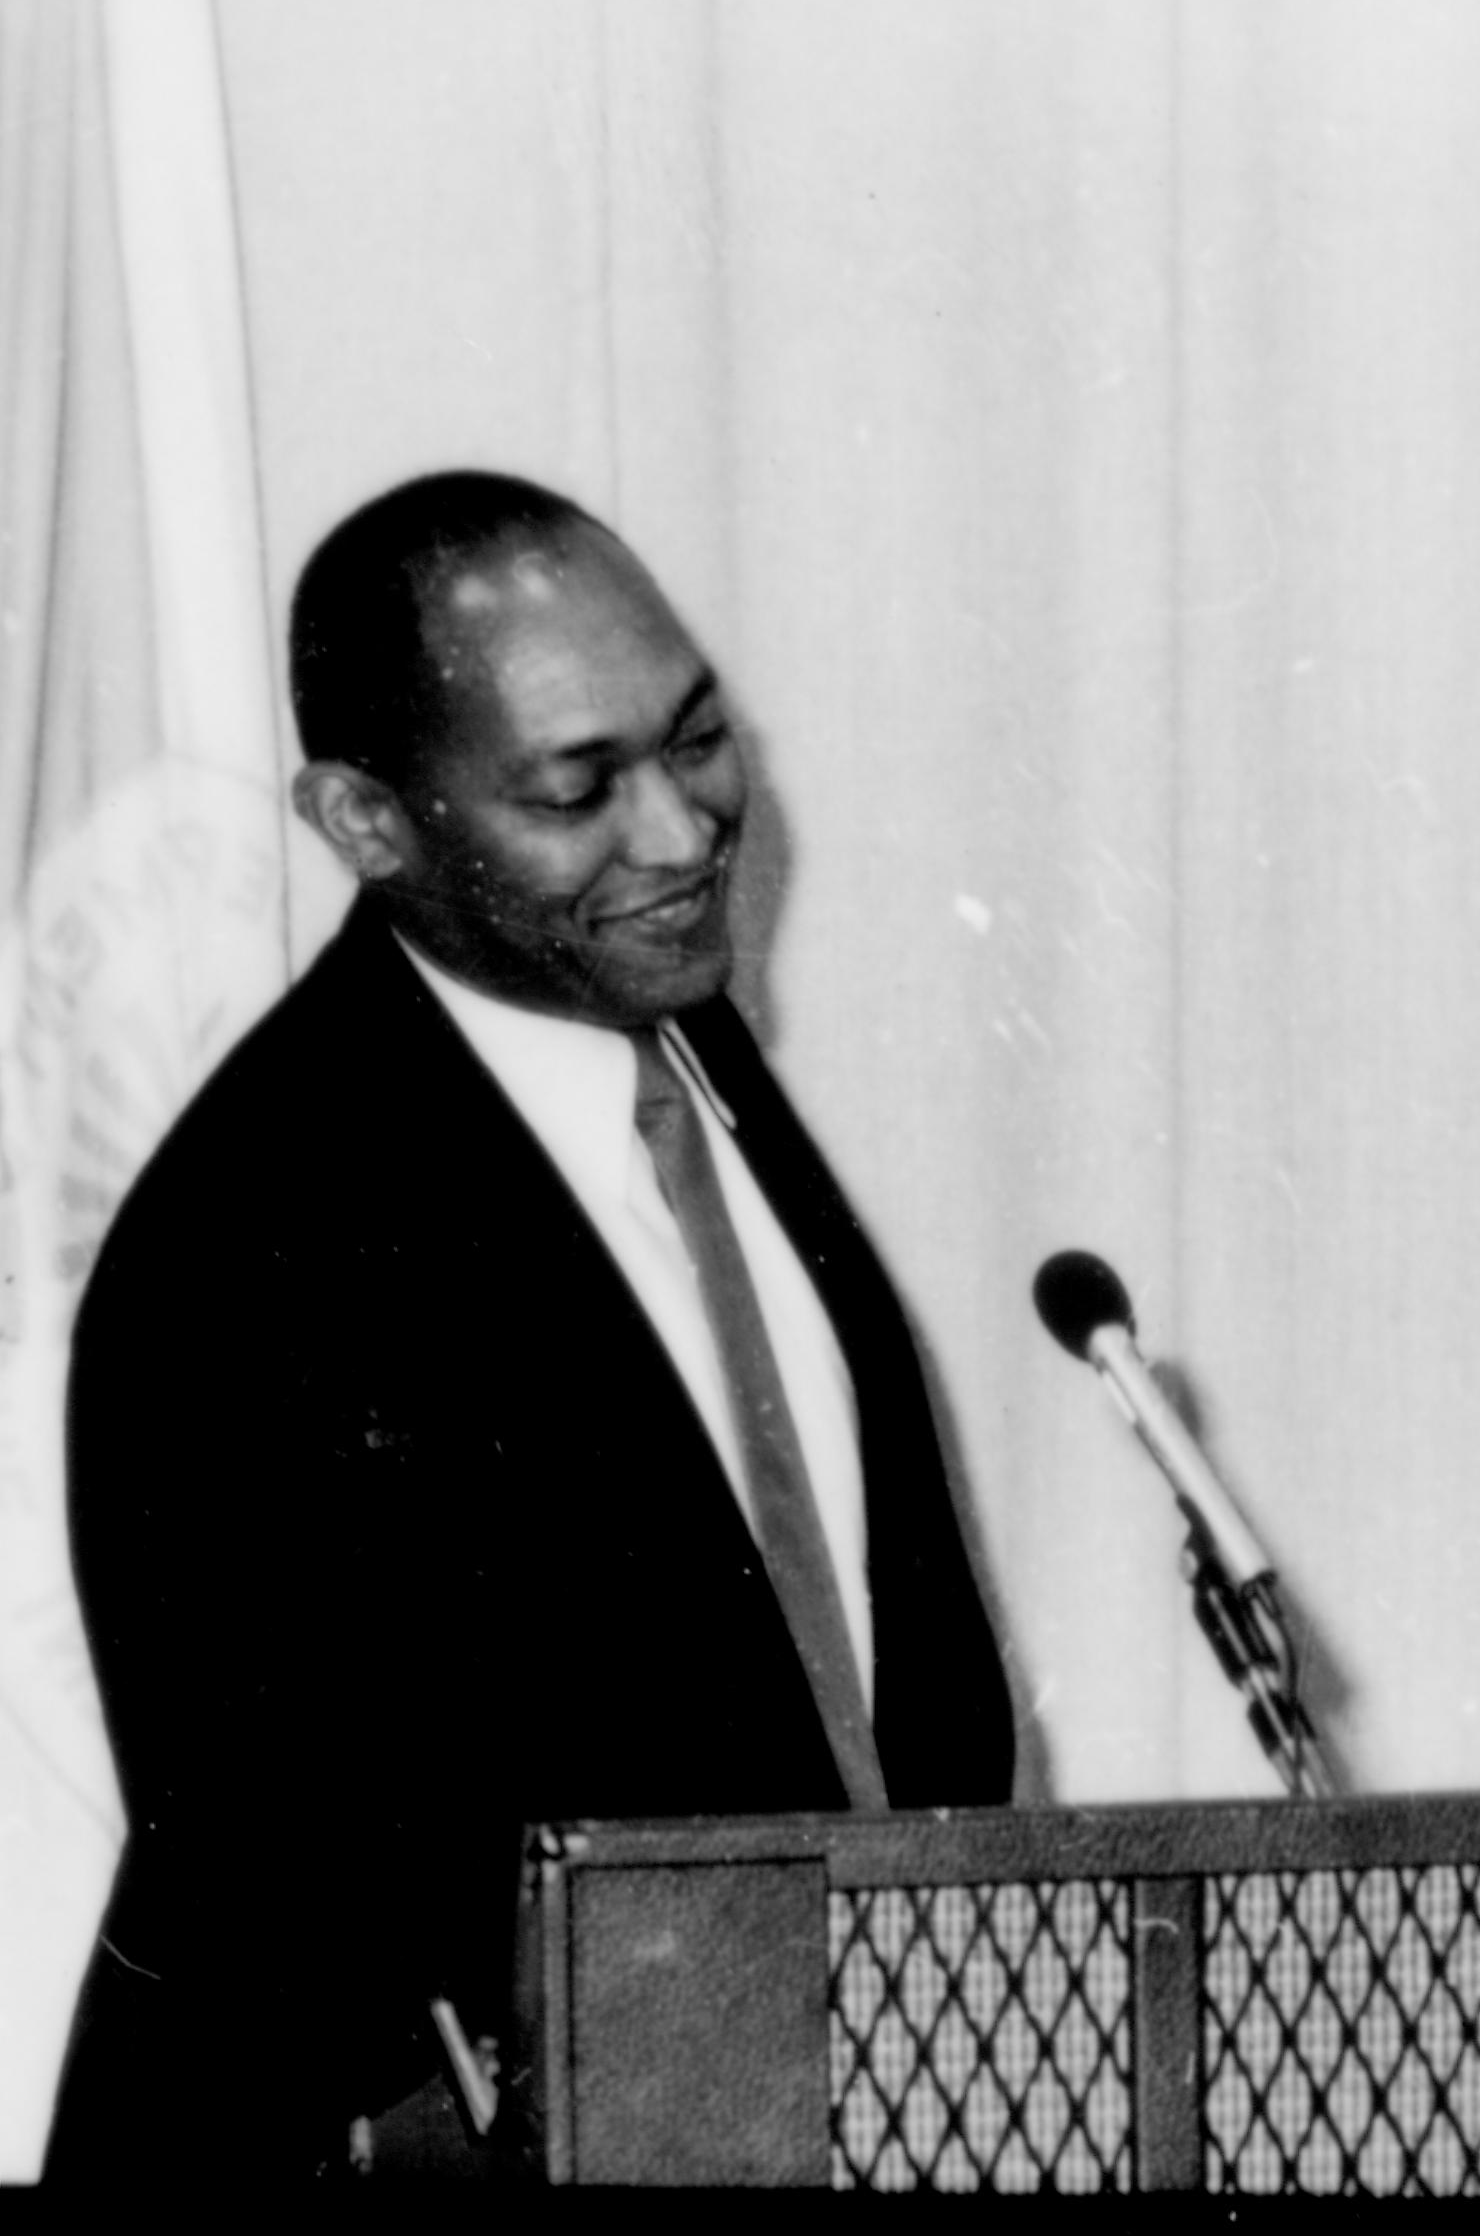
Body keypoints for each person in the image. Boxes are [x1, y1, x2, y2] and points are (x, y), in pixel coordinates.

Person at [48, 472, 1017, 2181]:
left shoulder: (659, 1012)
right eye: (580, 790)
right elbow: (320, 1930)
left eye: (699, 740)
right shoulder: (246, 1251)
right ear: (366, 821)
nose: (684, 832)